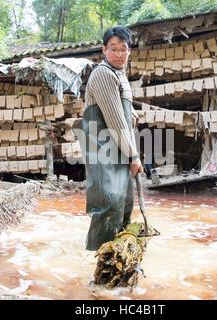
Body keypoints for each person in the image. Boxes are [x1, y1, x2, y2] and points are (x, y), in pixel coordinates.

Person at [77, 26, 143, 251]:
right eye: (112, 49)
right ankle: (98, 259)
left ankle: (118, 261)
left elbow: (121, 110)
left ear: (129, 51)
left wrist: (131, 111)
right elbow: (115, 122)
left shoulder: (120, 75)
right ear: (104, 50)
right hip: (103, 148)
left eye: (123, 49)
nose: (118, 53)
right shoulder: (103, 73)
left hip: (118, 149)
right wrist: (134, 156)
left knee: (124, 203)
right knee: (109, 204)